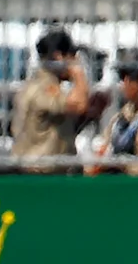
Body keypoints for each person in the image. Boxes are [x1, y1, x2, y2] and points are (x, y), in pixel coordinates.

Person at [12, 30, 96, 170]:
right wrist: (78, 74)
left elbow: (57, 129)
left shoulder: (48, 85)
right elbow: (79, 105)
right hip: (39, 175)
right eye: (72, 57)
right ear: (59, 57)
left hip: (48, 171)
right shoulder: (43, 87)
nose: (76, 61)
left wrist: (90, 116)